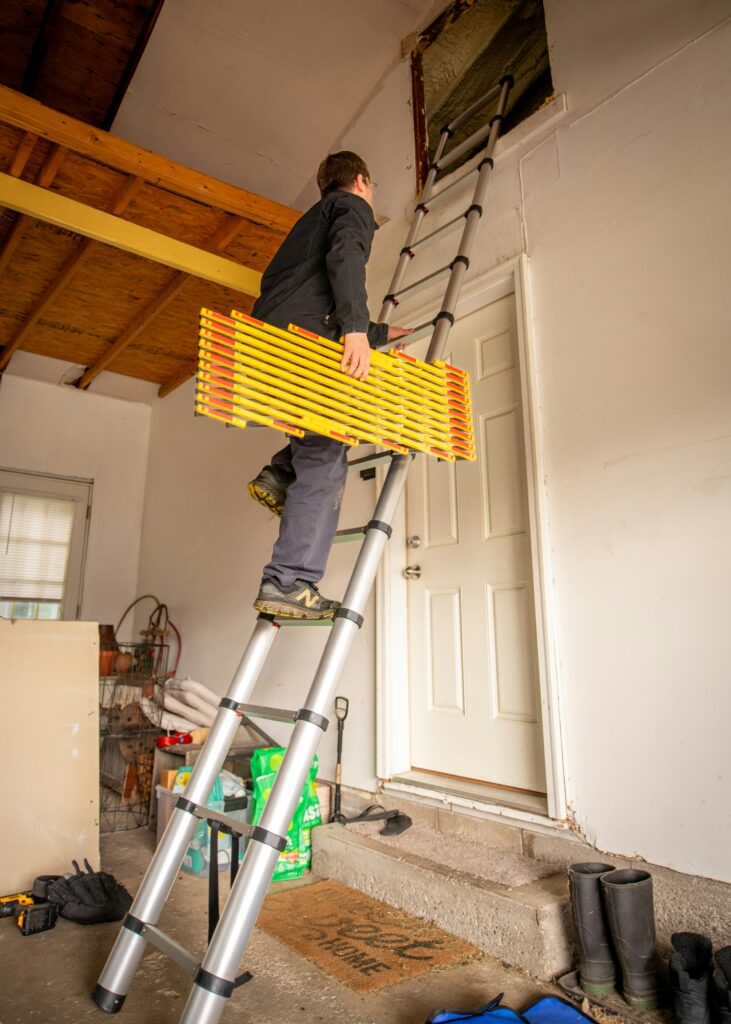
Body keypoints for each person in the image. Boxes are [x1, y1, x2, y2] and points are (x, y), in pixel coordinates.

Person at [247, 151, 411, 620]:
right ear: (361, 180)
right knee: (326, 455)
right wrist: (358, 330)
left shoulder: (307, 224)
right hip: (302, 344)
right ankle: (289, 580)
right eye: (372, 185)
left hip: (271, 343)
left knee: (316, 439)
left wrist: (376, 332)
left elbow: (307, 290)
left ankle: (280, 474)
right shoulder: (352, 208)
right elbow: (344, 259)